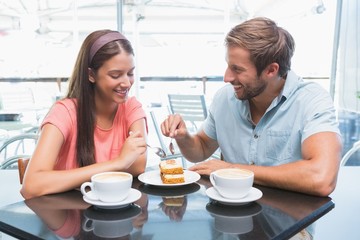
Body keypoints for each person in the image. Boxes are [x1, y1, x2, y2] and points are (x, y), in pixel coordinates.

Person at [161, 17, 342, 197]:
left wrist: (233, 169)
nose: (227, 77)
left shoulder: (311, 100)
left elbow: (322, 178)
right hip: (229, 214)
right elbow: (200, 150)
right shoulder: (225, 98)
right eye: (228, 66)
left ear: (271, 70)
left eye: (237, 69)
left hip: (290, 219)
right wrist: (184, 137)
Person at [21, 30, 148, 199]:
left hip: (114, 212)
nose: (126, 83)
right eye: (115, 75)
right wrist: (119, 163)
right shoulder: (64, 112)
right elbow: (31, 186)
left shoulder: (131, 107)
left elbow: (138, 165)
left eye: (130, 73)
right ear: (91, 75)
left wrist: (122, 163)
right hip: (68, 216)